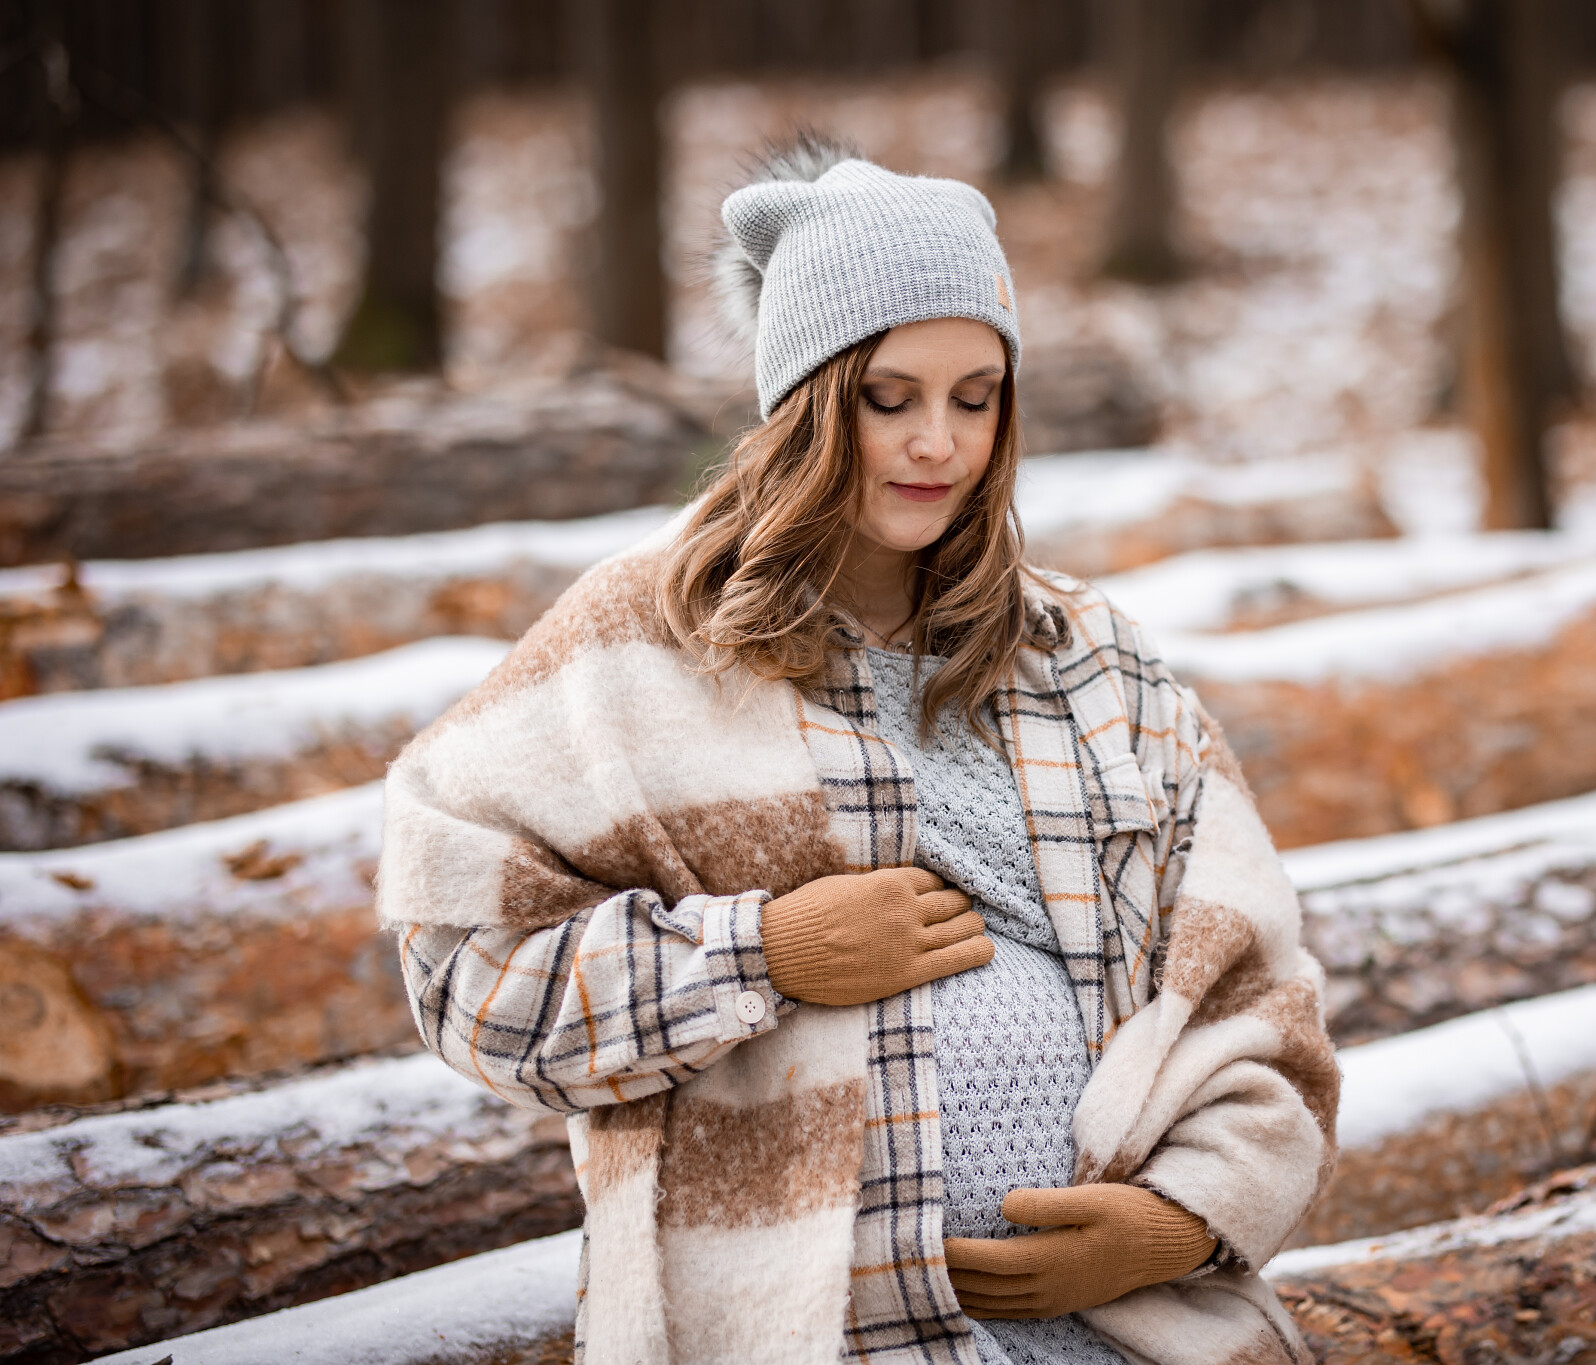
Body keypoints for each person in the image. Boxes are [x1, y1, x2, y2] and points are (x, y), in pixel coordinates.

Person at [378, 139, 1337, 1365]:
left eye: (974, 396)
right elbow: (463, 976)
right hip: (805, 1331)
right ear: (806, 402)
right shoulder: (641, 645)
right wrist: (764, 954)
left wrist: (1177, 1224)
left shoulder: (1090, 656)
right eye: (890, 397)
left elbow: (1258, 988)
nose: (937, 441)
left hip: (1130, 1337)